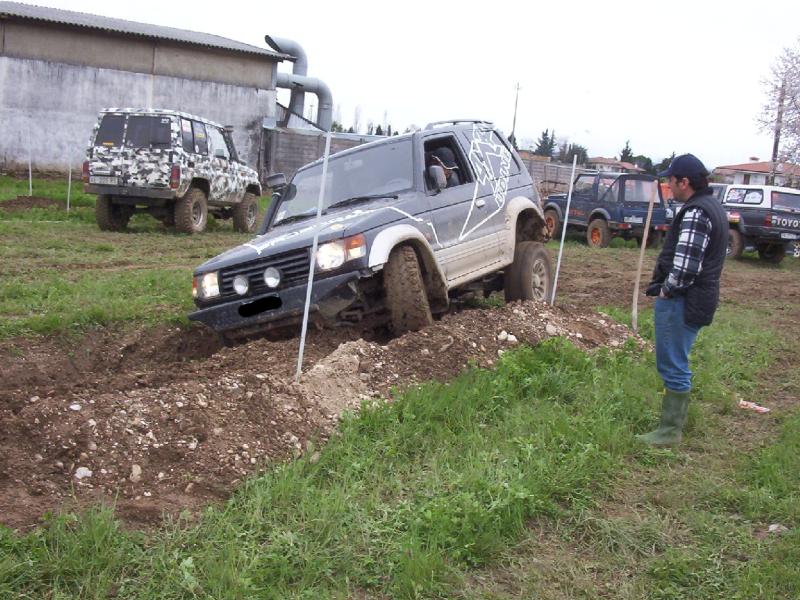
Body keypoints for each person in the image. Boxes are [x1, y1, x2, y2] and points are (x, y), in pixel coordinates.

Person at [638, 153, 728, 447]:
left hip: (683, 300)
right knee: (678, 360)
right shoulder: (712, 207)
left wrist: (666, 290)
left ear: (684, 181)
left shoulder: (696, 212)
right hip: (699, 298)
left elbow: (687, 266)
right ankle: (672, 426)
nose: (668, 185)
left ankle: (668, 432)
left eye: (671, 180)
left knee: (673, 363)